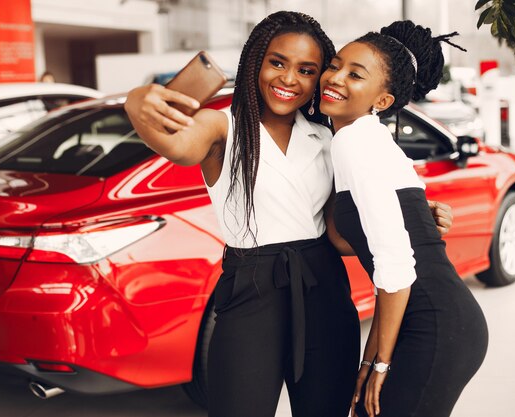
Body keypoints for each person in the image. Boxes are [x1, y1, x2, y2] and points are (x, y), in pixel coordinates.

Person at [125, 12, 453, 417]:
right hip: (250, 292)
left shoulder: (328, 137)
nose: (289, 79)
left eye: (307, 70)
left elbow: (340, 236)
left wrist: (413, 217)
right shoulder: (221, 127)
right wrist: (137, 101)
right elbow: (177, 145)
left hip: (325, 290)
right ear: (255, 62)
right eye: (277, 63)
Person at [319, 21, 488, 417]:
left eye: (355, 74)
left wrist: (380, 363)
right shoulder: (366, 140)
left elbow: (395, 266)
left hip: (434, 324)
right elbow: (353, 242)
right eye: (335, 64)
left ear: (382, 101)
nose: (335, 77)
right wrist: (371, 357)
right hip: (436, 316)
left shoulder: (355, 141)